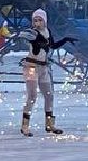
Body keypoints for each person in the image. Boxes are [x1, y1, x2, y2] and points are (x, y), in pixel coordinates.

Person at [19, 8, 73, 137]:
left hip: (43, 68)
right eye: (35, 20)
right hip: (31, 67)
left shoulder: (47, 32)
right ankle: (24, 126)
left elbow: (52, 46)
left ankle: (50, 125)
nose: (37, 22)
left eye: (40, 20)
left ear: (45, 21)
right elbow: (27, 39)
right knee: (32, 96)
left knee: (49, 95)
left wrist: (65, 40)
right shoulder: (33, 33)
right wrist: (38, 42)